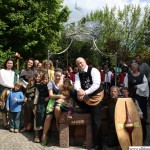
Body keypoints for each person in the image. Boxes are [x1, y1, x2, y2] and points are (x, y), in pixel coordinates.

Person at [74, 57, 104, 150]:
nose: (80, 65)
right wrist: (79, 91)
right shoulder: (78, 74)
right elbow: (76, 84)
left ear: (85, 62)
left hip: (96, 97)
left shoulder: (93, 70)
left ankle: (97, 146)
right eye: (78, 63)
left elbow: (96, 84)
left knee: (95, 121)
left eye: (81, 63)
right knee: (73, 92)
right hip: (86, 97)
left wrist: (84, 92)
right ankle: (85, 108)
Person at [41, 68, 64, 146]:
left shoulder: (64, 82)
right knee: (48, 117)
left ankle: (57, 122)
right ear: (54, 76)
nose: (58, 77)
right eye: (56, 76)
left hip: (62, 102)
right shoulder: (51, 83)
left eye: (59, 76)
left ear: (61, 76)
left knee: (58, 109)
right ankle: (44, 135)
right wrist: (59, 96)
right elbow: (50, 95)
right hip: (52, 101)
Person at [0, 58, 19, 129]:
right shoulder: (2, 71)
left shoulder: (15, 73)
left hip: (14, 91)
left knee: (12, 107)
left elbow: (17, 82)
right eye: (8, 63)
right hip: (4, 90)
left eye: (11, 63)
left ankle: (10, 122)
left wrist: (15, 88)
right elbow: (2, 82)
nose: (9, 64)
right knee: (4, 107)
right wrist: (12, 87)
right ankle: (5, 123)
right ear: (6, 63)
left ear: (13, 64)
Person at [33, 73, 49, 143]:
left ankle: (45, 134)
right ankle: (36, 135)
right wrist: (35, 105)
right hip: (40, 102)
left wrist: (49, 97)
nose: (46, 80)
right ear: (42, 79)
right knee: (38, 116)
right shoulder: (38, 86)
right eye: (44, 79)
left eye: (47, 79)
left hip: (47, 103)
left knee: (46, 117)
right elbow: (36, 96)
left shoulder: (50, 85)